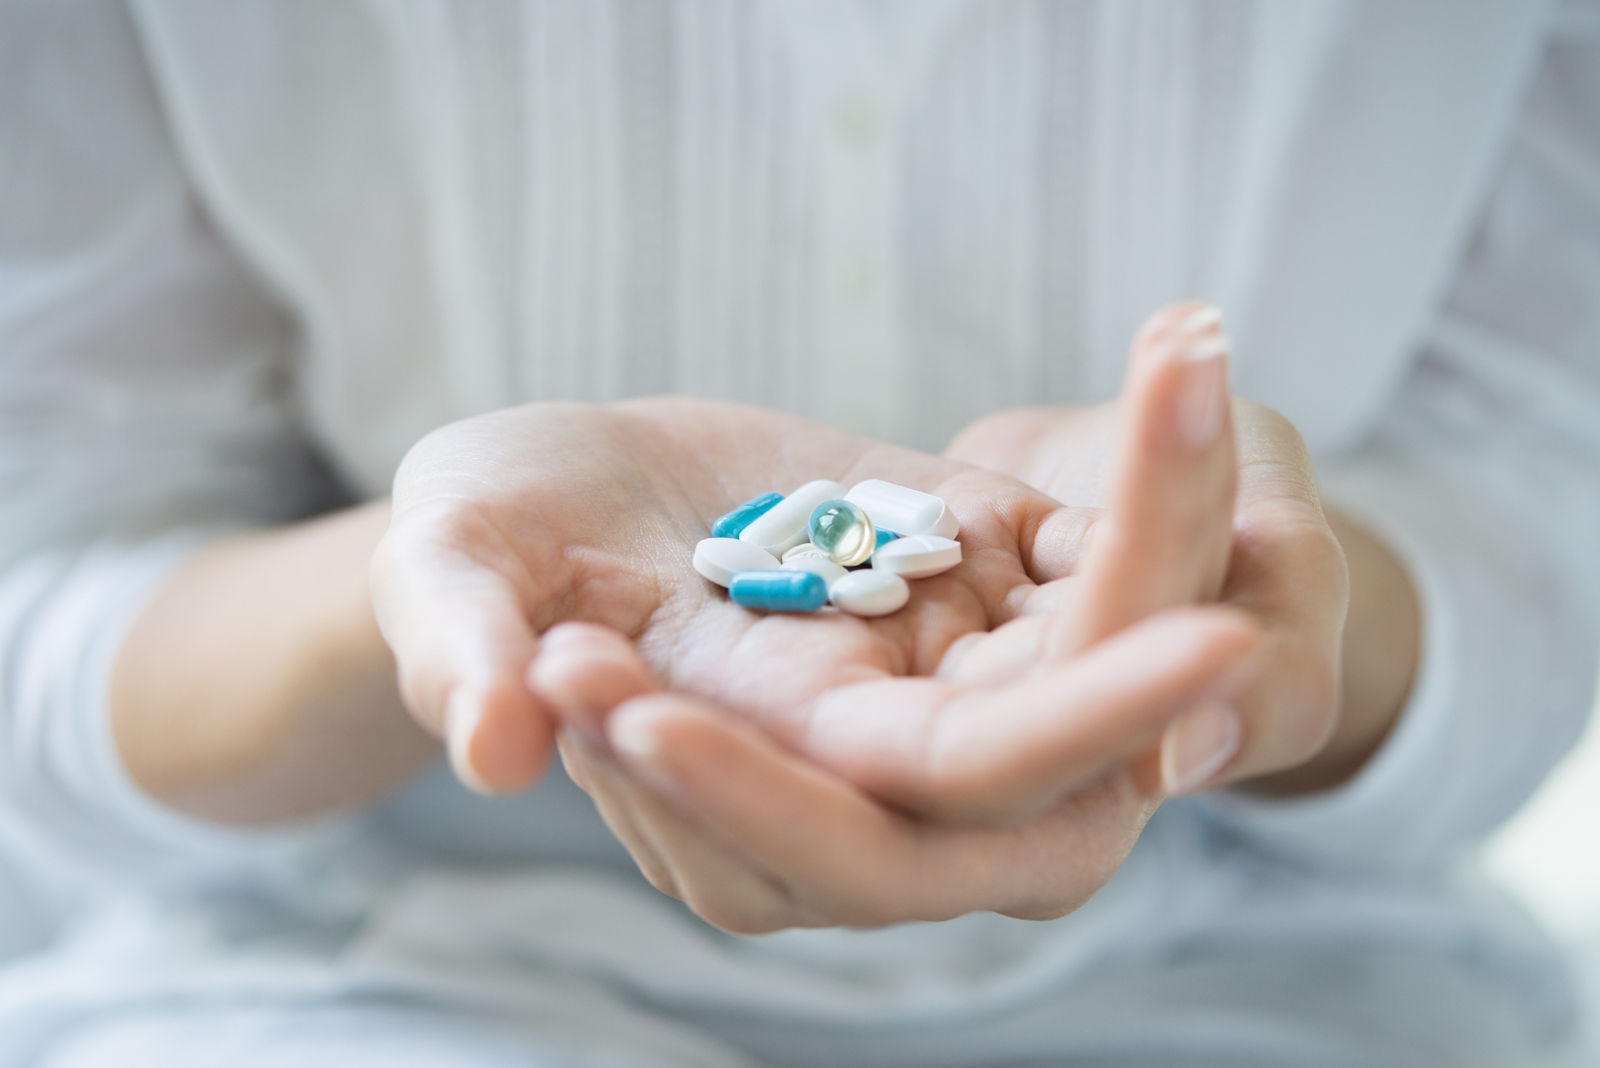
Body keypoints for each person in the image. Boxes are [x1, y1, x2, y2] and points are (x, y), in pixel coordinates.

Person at [1, 2, 1597, 1065]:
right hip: (358, 978)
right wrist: (420, 592)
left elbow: (1531, 519)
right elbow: (54, 601)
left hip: (1292, 988)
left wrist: (1269, 620)